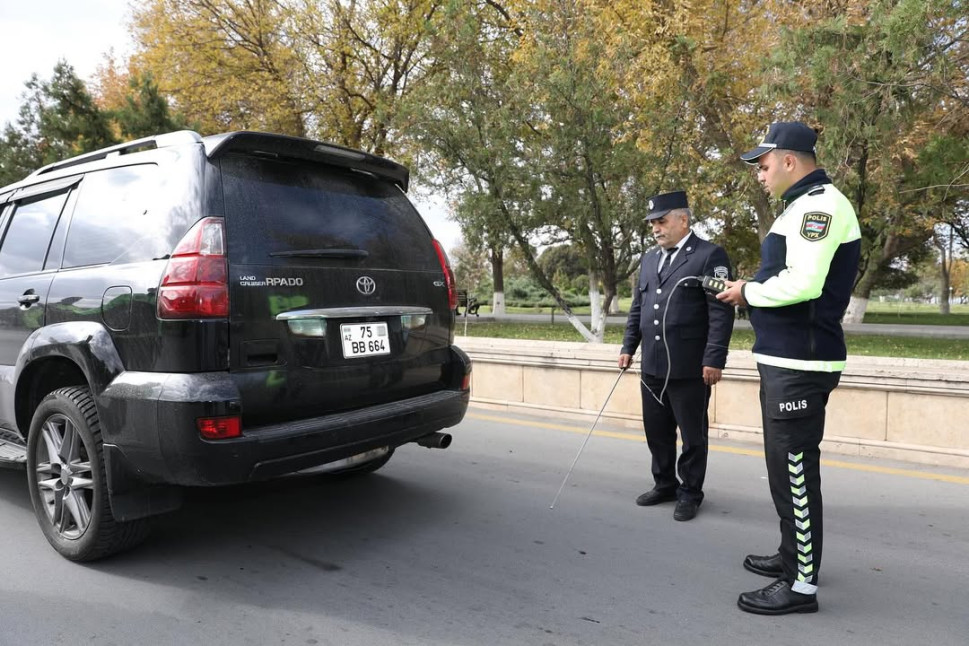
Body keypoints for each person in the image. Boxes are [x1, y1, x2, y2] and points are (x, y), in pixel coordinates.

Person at [717, 122, 861, 615]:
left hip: (801, 361)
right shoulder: (801, 206)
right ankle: (792, 556)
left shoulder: (820, 206)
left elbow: (804, 284)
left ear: (789, 160)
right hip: (787, 357)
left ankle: (801, 586)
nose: (760, 175)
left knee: (795, 472)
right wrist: (751, 287)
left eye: (763, 165)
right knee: (783, 469)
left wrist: (747, 291)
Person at [619, 190, 734, 522]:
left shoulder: (710, 256)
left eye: (661, 221)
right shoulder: (649, 259)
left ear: (683, 220)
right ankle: (664, 484)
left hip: (690, 367)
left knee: (693, 435)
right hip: (652, 365)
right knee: (656, 431)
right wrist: (628, 347)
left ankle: (690, 492)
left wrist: (714, 358)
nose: (656, 228)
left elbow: (720, 312)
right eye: (652, 223)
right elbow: (639, 308)